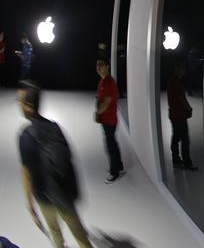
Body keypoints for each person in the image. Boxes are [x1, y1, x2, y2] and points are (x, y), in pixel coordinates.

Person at [16, 80, 92, 248]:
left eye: (19, 101)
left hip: (44, 197)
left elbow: (27, 175)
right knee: (81, 236)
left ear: (29, 105)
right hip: (64, 194)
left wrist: (30, 206)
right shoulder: (55, 127)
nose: (18, 105)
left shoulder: (25, 136)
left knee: (55, 232)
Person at [95, 58, 124, 183]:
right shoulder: (103, 81)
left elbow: (106, 102)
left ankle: (114, 172)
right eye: (97, 65)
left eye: (101, 65)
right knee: (113, 143)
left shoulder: (109, 82)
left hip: (109, 120)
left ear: (107, 67)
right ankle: (118, 165)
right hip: (106, 119)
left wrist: (97, 113)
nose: (98, 67)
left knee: (110, 146)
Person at [167, 63, 198, 170]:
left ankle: (176, 159)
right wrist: (189, 108)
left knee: (176, 136)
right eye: (182, 69)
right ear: (177, 69)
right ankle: (187, 163)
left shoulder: (173, 81)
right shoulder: (176, 82)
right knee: (184, 139)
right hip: (179, 115)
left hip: (174, 114)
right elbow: (181, 98)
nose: (184, 71)